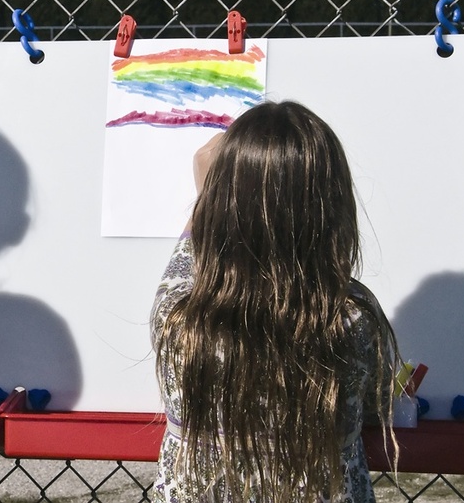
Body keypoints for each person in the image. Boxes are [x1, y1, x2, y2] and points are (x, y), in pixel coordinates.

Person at [150, 101, 399, 502]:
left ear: (220, 207)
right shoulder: (353, 318)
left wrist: (208, 195)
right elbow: (373, 406)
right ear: (333, 207)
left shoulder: (179, 319)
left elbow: (184, 266)